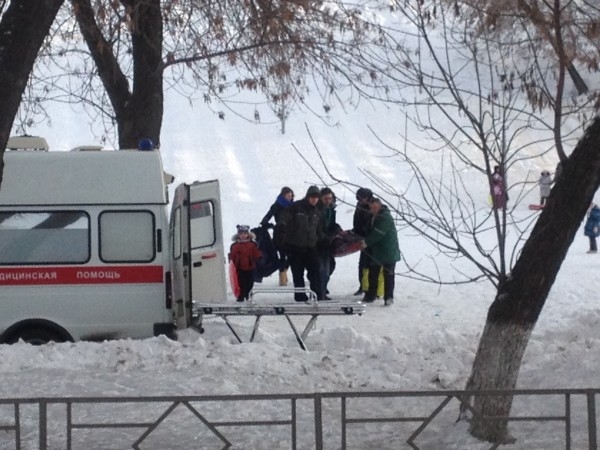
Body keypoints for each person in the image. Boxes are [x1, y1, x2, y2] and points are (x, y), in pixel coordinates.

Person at [276, 185, 325, 301]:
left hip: (311, 247)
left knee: (315, 272)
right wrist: (283, 237)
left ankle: (317, 295)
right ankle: (300, 296)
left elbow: (319, 230)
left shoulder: (317, 212)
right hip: (295, 247)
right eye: (312, 197)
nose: (315, 200)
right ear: (308, 197)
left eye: (317, 198)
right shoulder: (295, 207)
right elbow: (283, 219)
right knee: (298, 274)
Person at [361, 198, 400, 306]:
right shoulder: (374, 216)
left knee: (388, 274)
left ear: (379, 206)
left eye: (375, 208)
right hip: (377, 251)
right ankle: (371, 295)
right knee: (373, 273)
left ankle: (388, 297)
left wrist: (366, 242)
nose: (373, 210)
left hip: (388, 251)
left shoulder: (385, 217)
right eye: (371, 208)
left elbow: (378, 233)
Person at [261, 186, 294, 286]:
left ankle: (283, 271)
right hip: (280, 234)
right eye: (288, 196)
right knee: (283, 255)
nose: (290, 198)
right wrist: (270, 225)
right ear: (283, 195)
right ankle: (282, 275)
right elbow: (266, 218)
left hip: (291, 234)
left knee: (291, 255)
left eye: (291, 196)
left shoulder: (293, 206)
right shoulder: (276, 206)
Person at [318, 187, 342, 300]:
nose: (328, 201)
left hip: (327, 244)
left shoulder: (331, 210)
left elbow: (331, 225)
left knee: (329, 268)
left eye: (330, 198)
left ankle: (322, 290)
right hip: (318, 243)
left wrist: (337, 229)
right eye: (325, 198)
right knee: (322, 270)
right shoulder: (317, 210)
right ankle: (320, 292)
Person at [229, 225, 262, 302]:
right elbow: (232, 255)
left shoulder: (252, 244)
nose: (243, 236)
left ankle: (248, 295)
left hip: (250, 267)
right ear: (238, 235)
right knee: (241, 282)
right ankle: (241, 295)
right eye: (241, 234)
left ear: (248, 234)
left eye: (245, 233)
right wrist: (231, 259)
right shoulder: (235, 245)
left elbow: (256, 252)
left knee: (250, 282)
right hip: (239, 267)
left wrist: (259, 257)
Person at [352, 187, 374, 295]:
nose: (359, 201)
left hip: (370, 239)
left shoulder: (373, 207)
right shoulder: (360, 205)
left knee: (370, 265)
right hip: (361, 237)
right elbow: (357, 219)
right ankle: (362, 286)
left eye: (361, 199)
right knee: (362, 264)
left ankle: (370, 288)